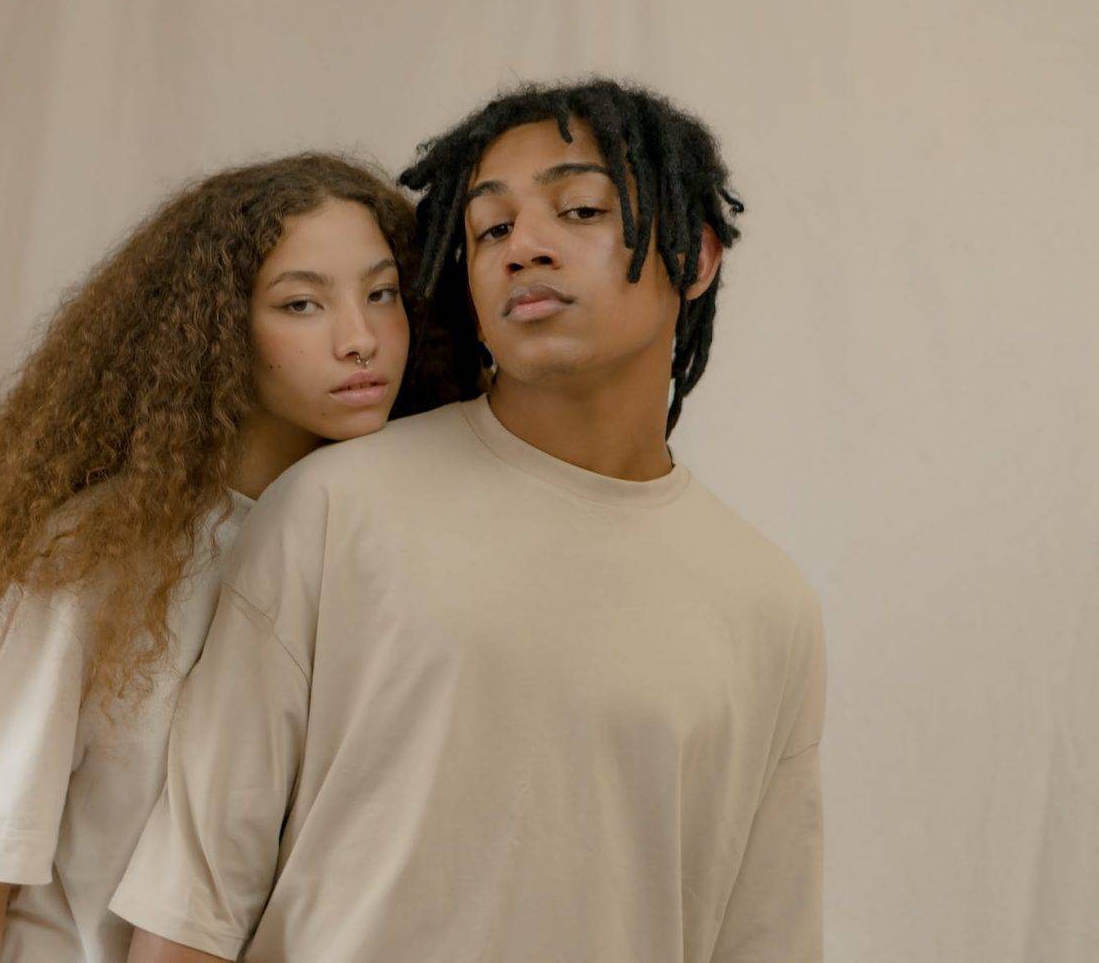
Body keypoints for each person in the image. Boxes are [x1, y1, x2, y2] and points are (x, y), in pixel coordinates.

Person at [115, 78, 827, 962]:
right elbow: (190, 911)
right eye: (490, 227)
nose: (524, 246)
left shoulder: (767, 605)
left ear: (697, 256)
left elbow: (763, 937)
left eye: (578, 210)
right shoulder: (337, 509)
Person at [0, 152, 460, 962]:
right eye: (301, 303)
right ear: (219, 330)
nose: (360, 339)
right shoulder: (100, 557)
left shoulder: (385, 548)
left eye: (383, 293)